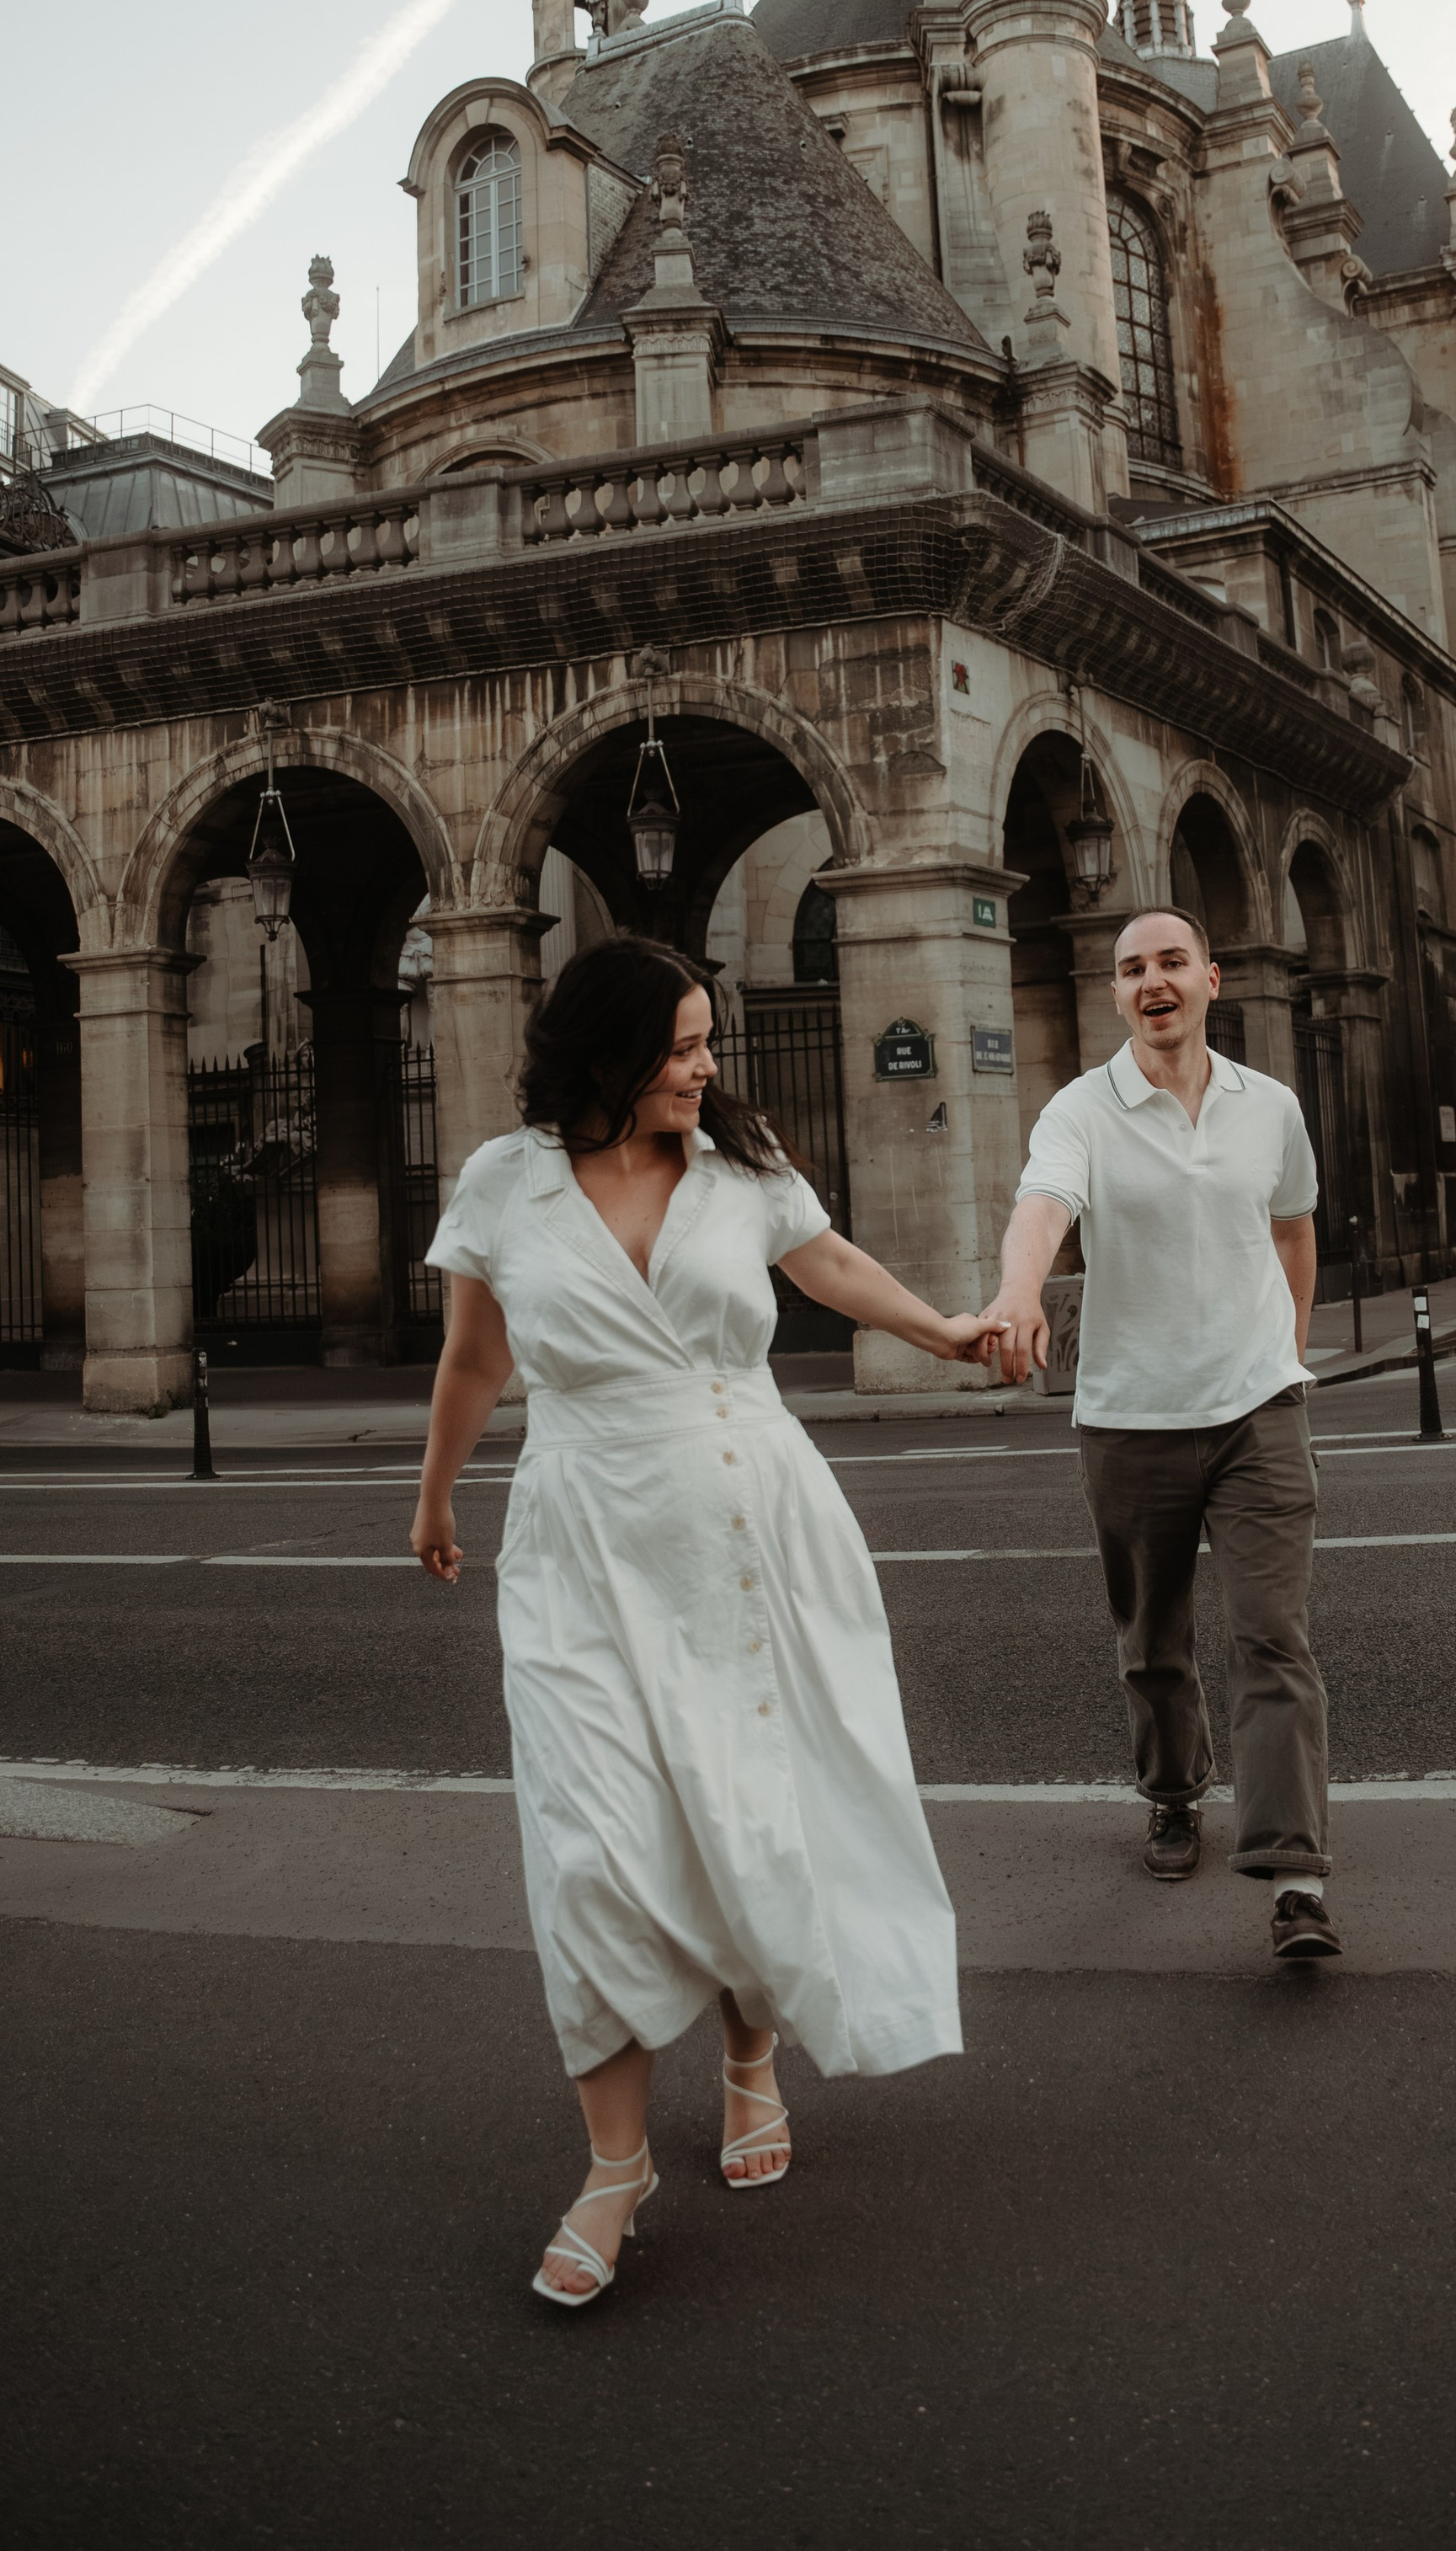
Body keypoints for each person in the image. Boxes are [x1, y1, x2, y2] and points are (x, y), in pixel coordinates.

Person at [409, 935, 1005, 2309]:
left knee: (740, 1808)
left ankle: (750, 2064)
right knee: (590, 1849)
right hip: (577, 1539)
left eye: (706, 1041)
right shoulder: (504, 1183)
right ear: (607, 1054)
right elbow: (475, 1356)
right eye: (681, 1045)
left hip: (750, 1525)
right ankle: (613, 2168)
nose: (704, 1066)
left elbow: (833, 1263)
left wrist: (948, 1332)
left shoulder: (739, 1172)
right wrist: (434, 1500)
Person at [988, 905, 1341, 1967]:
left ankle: (1293, 1876)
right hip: (1130, 1420)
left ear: (1211, 980)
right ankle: (1174, 1794)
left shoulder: (1268, 1106)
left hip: (1256, 1414)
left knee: (1273, 1637)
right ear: (1116, 995)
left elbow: (1291, 1227)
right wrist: (1018, 1292)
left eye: (1171, 963)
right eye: (1132, 967)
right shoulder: (1080, 1111)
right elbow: (1043, 1206)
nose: (1153, 981)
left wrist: (1286, 1349)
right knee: (1155, 1644)